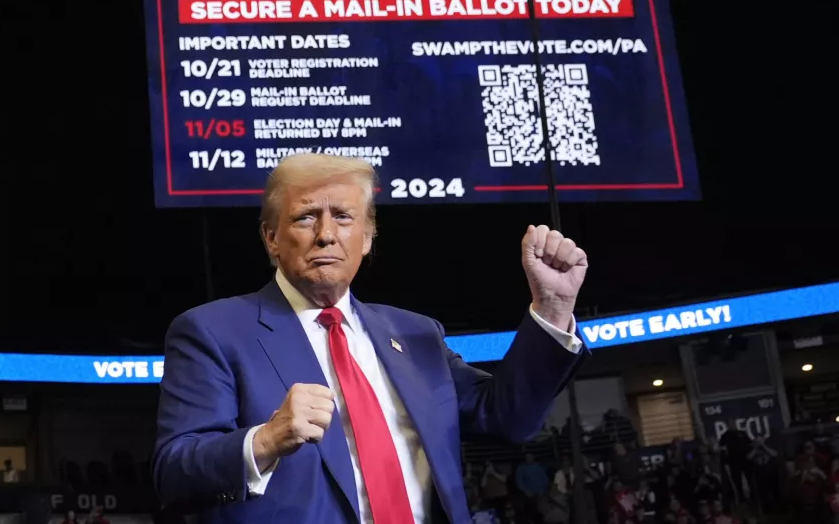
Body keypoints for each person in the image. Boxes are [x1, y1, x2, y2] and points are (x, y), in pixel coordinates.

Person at [152, 154, 590, 523]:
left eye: (343, 217)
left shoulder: (416, 333)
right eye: (306, 217)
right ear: (271, 238)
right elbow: (174, 473)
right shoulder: (212, 331)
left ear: (367, 238)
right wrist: (264, 440)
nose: (326, 234)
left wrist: (552, 309)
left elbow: (507, 417)